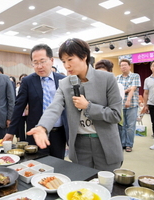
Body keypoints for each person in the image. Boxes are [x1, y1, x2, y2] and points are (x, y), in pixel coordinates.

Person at [27, 38, 123, 171]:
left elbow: (116, 115)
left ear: (84, 56)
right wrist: (42, 127)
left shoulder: (107, 79)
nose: (66, 66)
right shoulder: (65, 83)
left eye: (70, 59)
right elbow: (54, 107)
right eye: (64, 61)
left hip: (105, 143)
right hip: (79, 144)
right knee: (82, 183)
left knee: (106, 184)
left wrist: (89, 107)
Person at [2, 44, 68, 159]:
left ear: (51, 60)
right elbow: (19, 107)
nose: (39, 66)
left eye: (42, 61)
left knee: (59, 163)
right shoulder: (28, 81)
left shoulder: (63, 80)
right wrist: (11, 131)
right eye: (35, 63)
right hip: (36, 132)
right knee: (38, 163)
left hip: (59, 133)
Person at [116, 59, 141, 152]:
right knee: (121, 125)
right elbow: (116, 90)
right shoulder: (117, 78)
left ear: (129, 66)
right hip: (120, 105)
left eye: (125, 65)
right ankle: (122, 143)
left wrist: (128, 100)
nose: (123, 67)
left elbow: (133, 88)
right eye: (121, 65)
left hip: (132, 105)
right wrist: (126, 90)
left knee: (130, 126)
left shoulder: (135, 76)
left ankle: (129, 144)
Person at [141, 60, 154, 150]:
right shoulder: (147, 79)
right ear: (151, 68)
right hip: (152, 104)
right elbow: (146, 93)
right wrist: (145, 105)